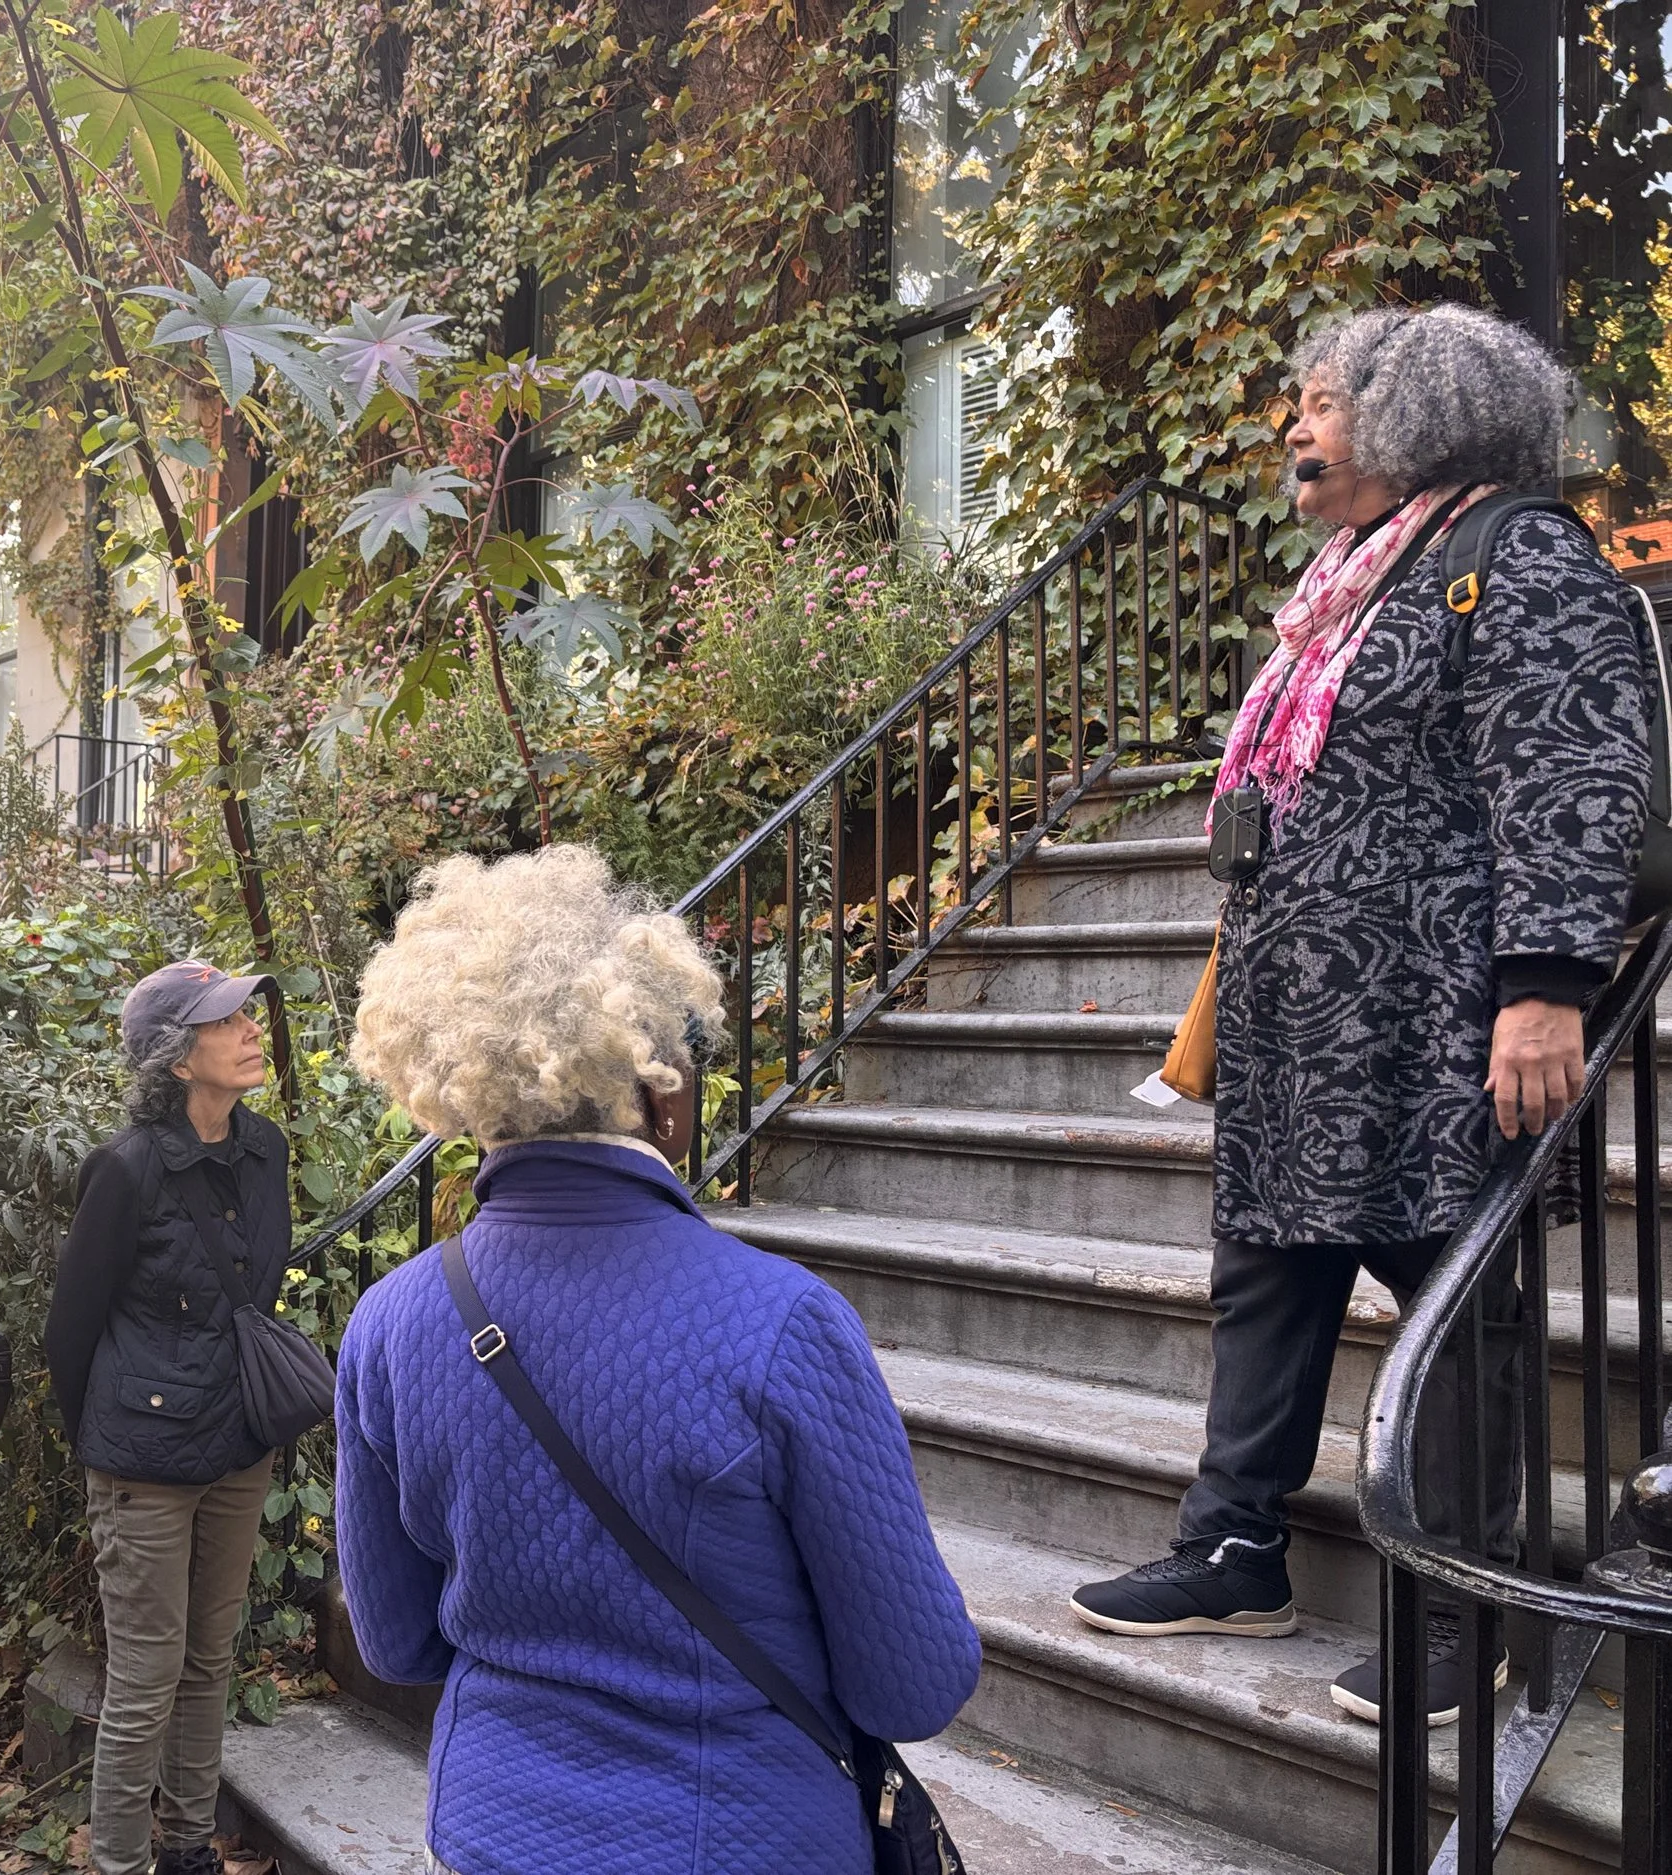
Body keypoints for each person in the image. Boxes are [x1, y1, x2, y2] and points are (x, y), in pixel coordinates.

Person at [1070, 304, 1655, 1727]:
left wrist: (1546, 985)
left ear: (1425, 414)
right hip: (1300, 1015)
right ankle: (1233, 1544)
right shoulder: (1349, 580)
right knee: (1268, 1273)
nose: (1295, 425)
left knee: (1451, 1294)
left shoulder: (1515, 554)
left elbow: (1572, 771)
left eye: (1324, 402)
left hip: (1434, 1010)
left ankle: (1470, 1609)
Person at [332, 845, 981, 1875]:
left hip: (485, 1835)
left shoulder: (388, 1323)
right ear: (666, 1097)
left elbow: (397, 1644)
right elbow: (914, 1684)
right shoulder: (781, 1322)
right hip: (741, 1837)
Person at [42, 959, 289, 1875]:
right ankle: (121, 1862)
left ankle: (187, 1845)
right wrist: (107, 1444)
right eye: (228, 1019)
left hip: (238, 1444)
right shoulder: (127, 1166)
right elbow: (70, 1330)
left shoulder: (264, 1150)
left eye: (247, 1012)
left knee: (208, 1662)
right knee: (144, 1678)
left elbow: (255, 1289)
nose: (252, 1026)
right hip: (142, 1460)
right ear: (180, 1058)